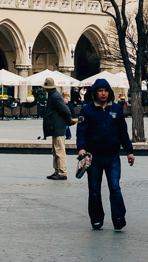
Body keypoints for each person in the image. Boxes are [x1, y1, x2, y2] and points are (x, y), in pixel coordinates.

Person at [75, 77, 134, 230]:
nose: (103, 94)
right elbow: (81, 131)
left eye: (105, 91)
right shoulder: (87, 110)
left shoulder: (116, 109)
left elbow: (123, 132)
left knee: (114, 187)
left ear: (109, 93)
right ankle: (96, 219)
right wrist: (81, 148)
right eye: (100, 91)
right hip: (93, 156)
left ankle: (119, 217)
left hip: (113, 155)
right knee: (94, 190)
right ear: (95, 93)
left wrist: (129, 151)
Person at [41, 77, 76, 181]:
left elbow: (65, 110)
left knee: (59, 149)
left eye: (47, 87)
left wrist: (68, 120)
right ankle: (57, 170)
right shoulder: (53, 95)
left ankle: (62, 172)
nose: (45, 89)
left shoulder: (55, 97)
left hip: (57, 126)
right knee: (55, 150)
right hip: (55, 126)